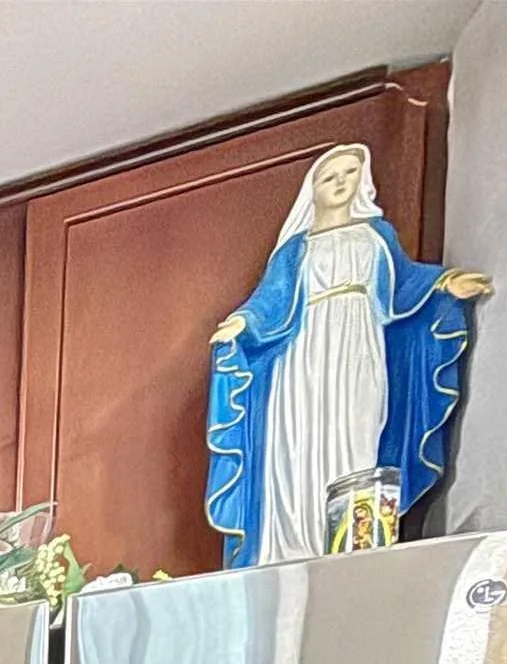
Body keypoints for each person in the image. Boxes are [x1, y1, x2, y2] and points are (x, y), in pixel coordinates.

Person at [203, 142, 490, 567]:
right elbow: (269, 302)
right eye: (329, 176)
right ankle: (288, 546)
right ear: (312, 189)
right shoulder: (296, 250)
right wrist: (241, 325)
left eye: (349, 172)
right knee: (296, 443)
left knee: (356, 431)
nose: (339, 182)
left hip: (358, 349)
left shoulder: (375, 237)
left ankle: (348, 546)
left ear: (363, 179)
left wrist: (444, 286)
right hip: (301, 357)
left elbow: (407, 286)